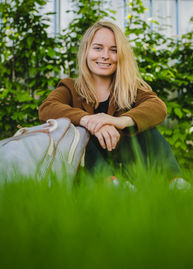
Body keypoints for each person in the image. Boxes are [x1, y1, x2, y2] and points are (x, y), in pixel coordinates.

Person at [38, 20, 181, 180]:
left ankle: (175, 183)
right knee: (78, 132)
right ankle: (112, 185)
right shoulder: (71, 87)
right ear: (86, 51)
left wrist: (118, 121)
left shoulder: (130, 88)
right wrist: (89, 121)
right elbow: (47, 108)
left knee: (146, 128)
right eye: (98, 48)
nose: (105, 56)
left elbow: (157, 107)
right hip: (87, 171)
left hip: (125, 164)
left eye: (113, 50)